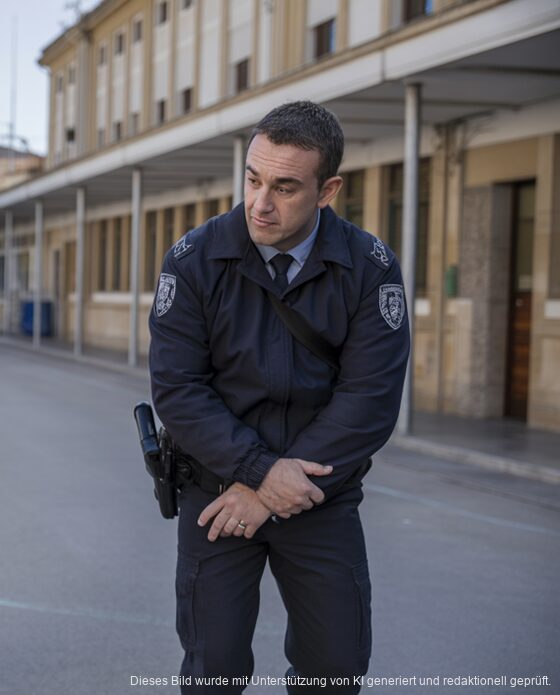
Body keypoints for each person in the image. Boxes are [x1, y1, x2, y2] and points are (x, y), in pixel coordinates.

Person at [148, 101, 411, 694]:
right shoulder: (194, 260)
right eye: (253, 179)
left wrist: (274, 489)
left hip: (321, 495)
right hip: (217, 494)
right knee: (212, 672)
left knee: (335, 670)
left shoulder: (369, 268)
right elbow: (178, 389)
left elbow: (369, 398)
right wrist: (259, 472)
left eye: (285, 187)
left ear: (328, 190)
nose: (260, 203)